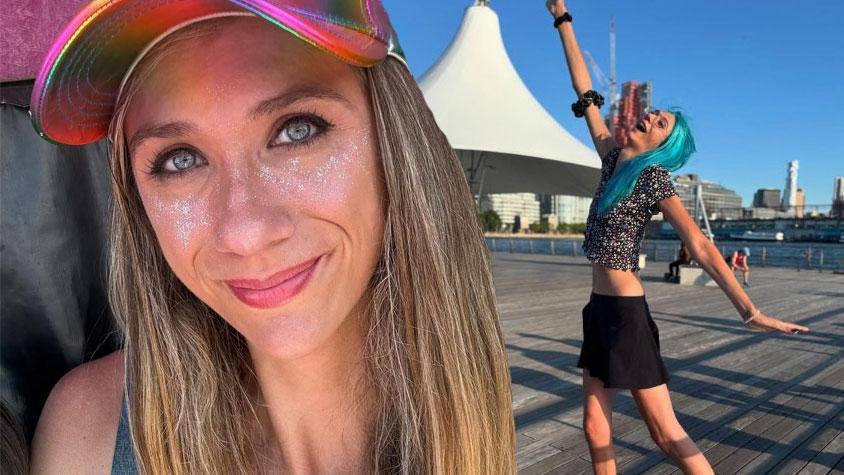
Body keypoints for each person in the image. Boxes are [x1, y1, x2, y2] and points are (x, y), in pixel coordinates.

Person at [28, 1, 516, 473]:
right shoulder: (88, 434)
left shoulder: (466, 431)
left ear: (394, 144)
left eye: (297, 131)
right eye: (181, 160)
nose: (245, 233)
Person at [545, 1, 809, 473]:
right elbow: (583, 86)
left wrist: (751, 312)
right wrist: (561, 15)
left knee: (665, 434)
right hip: (599, 309)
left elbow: (700, 245)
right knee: (594, 427)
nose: (649, 117)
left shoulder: (654, 180)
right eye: (654, 114)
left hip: (626, 316)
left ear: (663, 145)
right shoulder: (611, 158)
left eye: (660, 123)